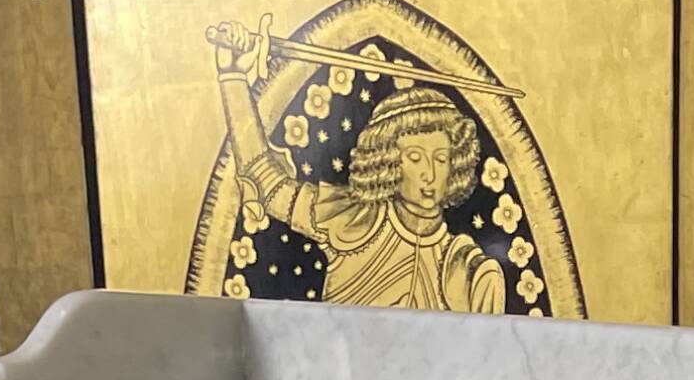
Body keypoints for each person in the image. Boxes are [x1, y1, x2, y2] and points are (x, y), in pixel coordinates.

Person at [208, 25, 505, 313]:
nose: (430, 173)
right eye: (415, 158)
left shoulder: (466, 268)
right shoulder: (352, 218)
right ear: (387, 161)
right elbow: (264, 179)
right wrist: (233, 75)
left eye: (441, 159)